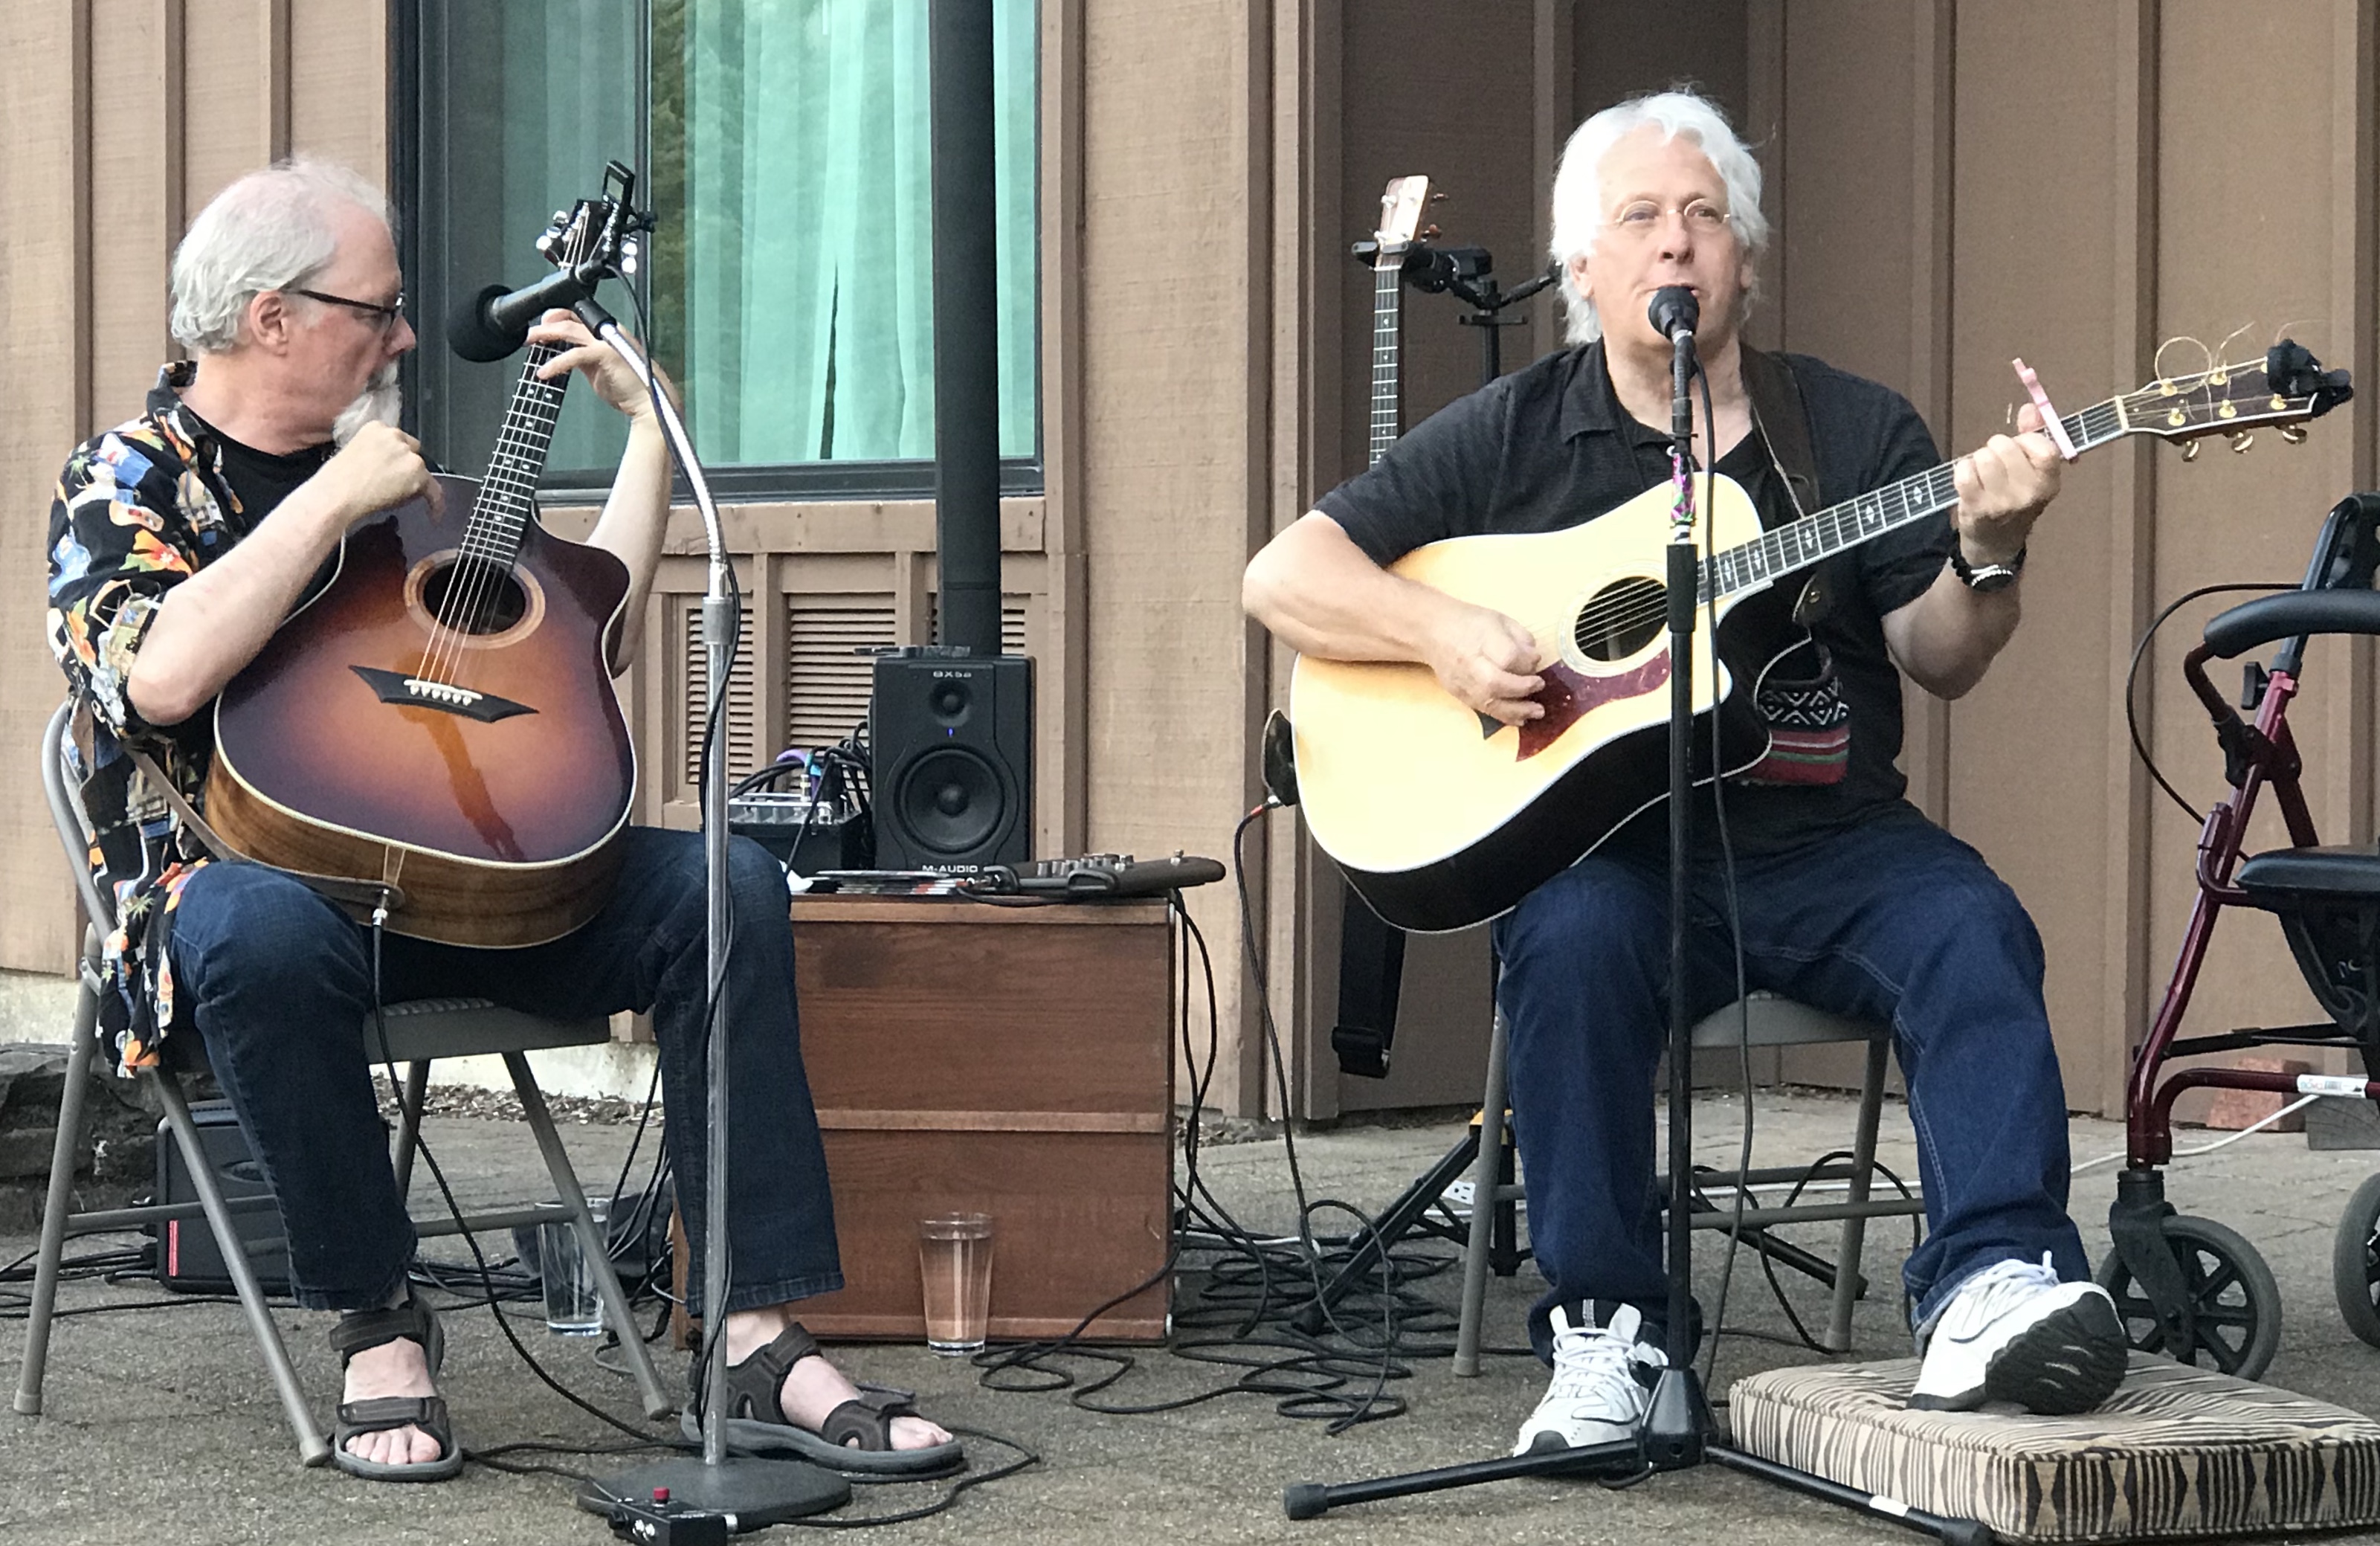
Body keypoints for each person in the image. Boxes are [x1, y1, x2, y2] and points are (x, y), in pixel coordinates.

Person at [1242, 91, 2129, 1454]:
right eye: (1640, 219)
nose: (1676, 246)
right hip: (1612, 849)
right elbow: (1282, 575)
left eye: (1704, 218)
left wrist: (1991, 551)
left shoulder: (1844, 430)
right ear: (1581, 269)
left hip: (1826, 836)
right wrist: (1444, 633)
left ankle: (1993, 1288)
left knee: (1970, 924)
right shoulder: (1511, 432)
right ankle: (1618, 1339)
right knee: (1568, 947)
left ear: (1746, 262)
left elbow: (1939, 657)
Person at [44, 159, 956, 1482]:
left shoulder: (415, 486)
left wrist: (650, 435)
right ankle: (376, 1321)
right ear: (270, 316)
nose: (407, 336)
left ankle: (754, 1329)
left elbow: (589, 628)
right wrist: (332, 504)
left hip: (473, 891)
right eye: (380, 309)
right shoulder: (125, 479)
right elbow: (158, 677)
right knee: (249, 923)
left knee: (730, 882)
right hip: (248, 903)